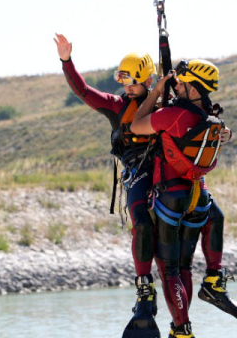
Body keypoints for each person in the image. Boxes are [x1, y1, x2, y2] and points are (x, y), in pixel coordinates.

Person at [54, 34, 159, 318]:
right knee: (141, 223)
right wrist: (67, 61)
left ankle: (214, 276)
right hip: (137, 173)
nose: (127, 88)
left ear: (149, 80)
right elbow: (83, 91)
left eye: (132, 82)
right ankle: (144, 286)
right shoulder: (116, 105)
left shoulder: (166, 101)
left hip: (165, 167)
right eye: (124, 82)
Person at [129, 59, 225, 338]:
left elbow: (136, 125)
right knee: (185, 267)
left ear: (194, 88)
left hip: (170, 200)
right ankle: (214, 280)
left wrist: (156, 91)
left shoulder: (171, 115)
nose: (177, 86)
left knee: (170, 270)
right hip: (199, 198)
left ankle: (183, 332)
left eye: (182, 83)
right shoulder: (210, 116)